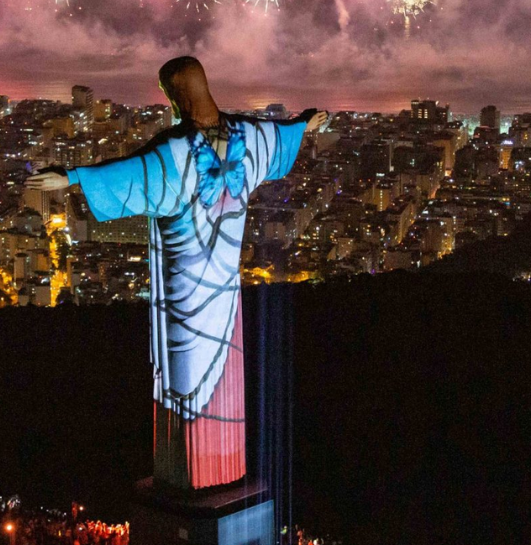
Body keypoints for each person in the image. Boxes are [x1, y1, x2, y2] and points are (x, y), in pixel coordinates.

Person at [26, 57, 327, 490]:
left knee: (185, 382)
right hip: (227, 295)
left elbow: (128, 175)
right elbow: (282, 137)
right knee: (225, 370)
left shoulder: (176, 152)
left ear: (177, 96)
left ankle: (191, 478)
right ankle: (223, 472)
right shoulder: (249, 136)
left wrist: (70, 176)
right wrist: (305, 125)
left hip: (184, 292)